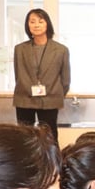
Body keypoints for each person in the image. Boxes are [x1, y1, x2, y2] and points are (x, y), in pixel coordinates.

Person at [13, 8, 70, 142]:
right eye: (32, 22)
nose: (36, 25)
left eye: (40, 21)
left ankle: (52, 156)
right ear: (27, 25)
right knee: (25, 137)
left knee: (50, 136)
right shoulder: (20, 49)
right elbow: (18, 74)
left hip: (50, 98)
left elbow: (65, 80)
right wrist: (25, 87)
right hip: (24, 98)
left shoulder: (61, 50)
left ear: (47, 24)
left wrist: (55, 93)